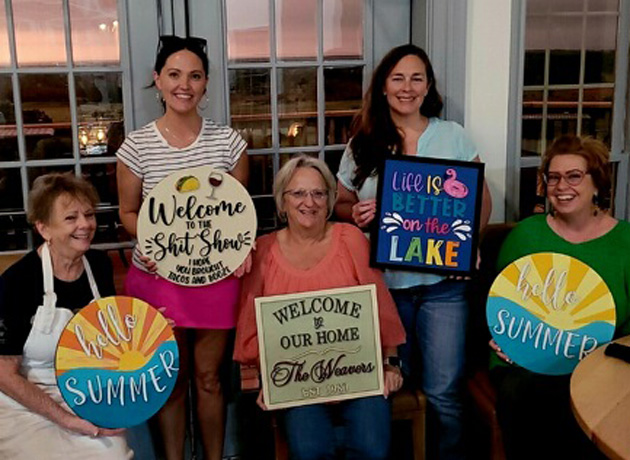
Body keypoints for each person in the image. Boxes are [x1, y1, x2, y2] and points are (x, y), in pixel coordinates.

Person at [335, 44, 492, 459]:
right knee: (387, 386)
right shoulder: (363, 142)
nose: (407, 87)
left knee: (444, 392)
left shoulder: (453, 135)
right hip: (385, 288)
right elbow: (339, 202)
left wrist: (469, 243)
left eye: (416, 78)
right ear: (383, 87)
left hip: (444, 287)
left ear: (428, 87)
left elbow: (481, 199)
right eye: (398, 78)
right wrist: (357, 212)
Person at [116, 35, 249, 460]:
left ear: (206, 83)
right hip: (159, 277)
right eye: (174, 74)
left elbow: (238, 217)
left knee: (209, 378)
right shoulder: (136, 147)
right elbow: (128, 212)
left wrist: (239, 249)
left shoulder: (230, 144)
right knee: (170, 378)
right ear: (158, 80)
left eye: (194, 75)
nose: (184, 84)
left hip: (215, 278)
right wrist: (152, 241)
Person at [234, 155, 406, 460]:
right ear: (281, 202)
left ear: (329, 200)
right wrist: (269, 380)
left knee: (372, 446)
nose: (309, 202)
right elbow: (252, 328)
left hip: (359, 374)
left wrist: (391, 364)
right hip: (298, 382)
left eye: (318, 193)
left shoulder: (350, 239)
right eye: (298, 193)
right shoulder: (262, 252)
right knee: (310, 449)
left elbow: (379, 305)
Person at [490, 135, 630, 459]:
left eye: (574, 176)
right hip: (527, 362)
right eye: (553, 177)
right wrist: (498, 336)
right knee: (527, 397)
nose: (561, 185)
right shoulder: (525, 235)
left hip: (601, 363)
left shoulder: (624, 242)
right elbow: (500, 301)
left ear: (597, 183)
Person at [0, 173, 131, 459]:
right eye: (71, 218)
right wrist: (65, 419)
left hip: (88, 392)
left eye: (88, 214)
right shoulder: (18, 280)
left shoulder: (99, 266)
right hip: (24, 400)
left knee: (113, 454)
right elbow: (3, 373)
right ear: (43, 228)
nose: (85, 225)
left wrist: (144, 331)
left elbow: (108, 338)